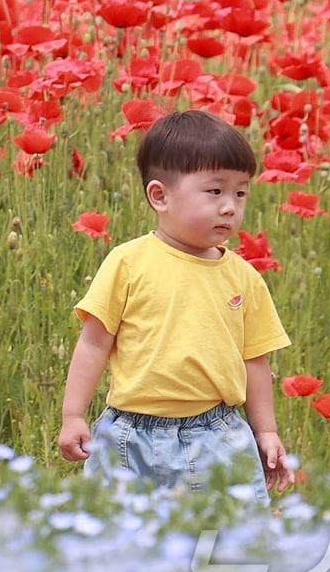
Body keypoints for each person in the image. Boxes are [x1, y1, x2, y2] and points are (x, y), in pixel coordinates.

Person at [57, 110, 296, 503]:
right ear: (160, 195)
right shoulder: (128, 262)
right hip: (129, 438)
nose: (229, 207)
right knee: (121, 543)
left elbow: (255, 361)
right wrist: (73, 416)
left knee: (227, 544)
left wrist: (265, 431)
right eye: (214, 191)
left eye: (240, 192)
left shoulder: (245, 278)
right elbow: (94, 344)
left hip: (218, 435)